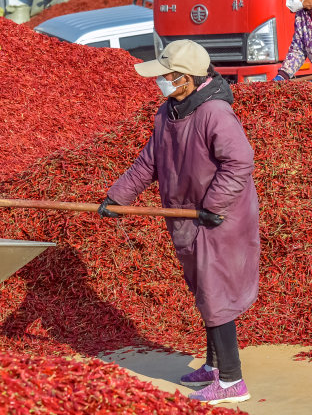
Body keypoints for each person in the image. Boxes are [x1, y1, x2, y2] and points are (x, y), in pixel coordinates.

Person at [97, 39, 259, 406]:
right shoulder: (167, 113)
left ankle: (232, 382)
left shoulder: (214, 113)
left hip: (219, 216)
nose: (161, 82)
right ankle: (214, 365)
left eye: (166, 76)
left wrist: (213, 204)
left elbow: (240, 162)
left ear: (185, 79)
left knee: (216, 294)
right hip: (186, 215)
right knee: (204, 289)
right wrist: (118, 197)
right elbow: (149, 162)